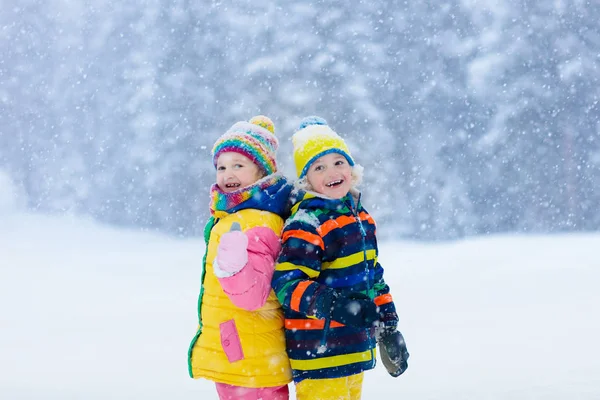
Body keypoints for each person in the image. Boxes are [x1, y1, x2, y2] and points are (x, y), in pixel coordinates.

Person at [271, 116, 409, 399]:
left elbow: (373, 277)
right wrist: (335, 306)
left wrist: (389, 326)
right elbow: (287, 283)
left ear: (351, 168)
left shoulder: (359, 217)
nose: (331, 171)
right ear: (306, 179)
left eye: (338, 162)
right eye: (318, 167)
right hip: (319, 352)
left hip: (353, 348)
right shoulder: (307, 222)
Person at [187, 116, 293, 400]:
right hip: (244, 351)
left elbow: (252, 296)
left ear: (260, 172)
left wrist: (234, 267)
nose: (227, 174)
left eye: (238, 165)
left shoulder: (257, 220)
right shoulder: (238, 216)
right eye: (221, 166)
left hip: (249, 355)